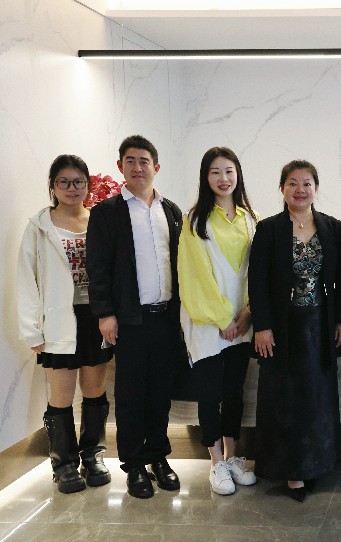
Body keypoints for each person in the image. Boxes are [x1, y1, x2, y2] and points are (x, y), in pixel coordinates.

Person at [87, 135, 186, 499]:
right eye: (130, 160)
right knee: (130, 395)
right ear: (120, 167)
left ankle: (158, 457)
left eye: (144, 161)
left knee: (160, 392)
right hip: (129, 320)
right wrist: (105, 314)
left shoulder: (170, 210)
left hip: (166, 318)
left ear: (155, 167)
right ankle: (134, 465)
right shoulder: (107, 212)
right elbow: (97, 267)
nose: (137, 167)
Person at [249, 160, 341, 503]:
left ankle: (316, 464)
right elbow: (257, 281)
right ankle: (291, 471)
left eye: (307, 183)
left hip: (319, 326)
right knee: (284, 400)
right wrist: (262, 326)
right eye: (293, 183)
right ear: (282, 189)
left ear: (316, 188)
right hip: (282, 326)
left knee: (317, 399)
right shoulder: (269, 229)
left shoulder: (332, 227)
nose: (300, 189)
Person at [17, 155, 114, 494]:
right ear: (53, 186)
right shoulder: (39, 226)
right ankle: (64, 464)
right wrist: (32, 329)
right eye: (64, 182)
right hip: (58, 319)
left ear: (88, 185)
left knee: (94, 390)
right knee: (61, 395)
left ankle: (93, 456)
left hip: (96, 317)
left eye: (78, 182)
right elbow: (26, 279)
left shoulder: (100, 220)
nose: (72, 188)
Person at [178, 147, 259, 495]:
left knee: (234, 392)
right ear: (205, 177)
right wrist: (223, 318)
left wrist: (247, 313)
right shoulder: (195, 219)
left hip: (242, 323)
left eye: (229, 171)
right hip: (208, 323)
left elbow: (255, 271)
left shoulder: (249, 218)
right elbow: (195, 274)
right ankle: (215, 462)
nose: (223, 179)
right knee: (209, 394)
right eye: (215, 172)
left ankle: (232, 456)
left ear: (238, 174)